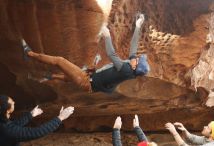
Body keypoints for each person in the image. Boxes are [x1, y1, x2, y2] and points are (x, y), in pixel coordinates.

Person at [21, 13, 150, 93]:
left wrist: (107, 36)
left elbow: (111, 54)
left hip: (86, 82)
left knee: (60, 61)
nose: (137, 57)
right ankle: (49, 76)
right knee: (69, 77)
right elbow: (133, 48)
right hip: (90, 79)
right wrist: (138, 26)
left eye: (138, 59)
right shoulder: (132, 67)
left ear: (134, 66)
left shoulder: (126, 69)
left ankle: (29, 54)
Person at [0, 95, 74, 146]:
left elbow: (13, 125)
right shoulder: (7, 131)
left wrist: (31, 115)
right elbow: (36, 132)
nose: (14, 102)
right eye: (12, 102)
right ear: (7, 111)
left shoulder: (3, 122)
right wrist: (60, 118)